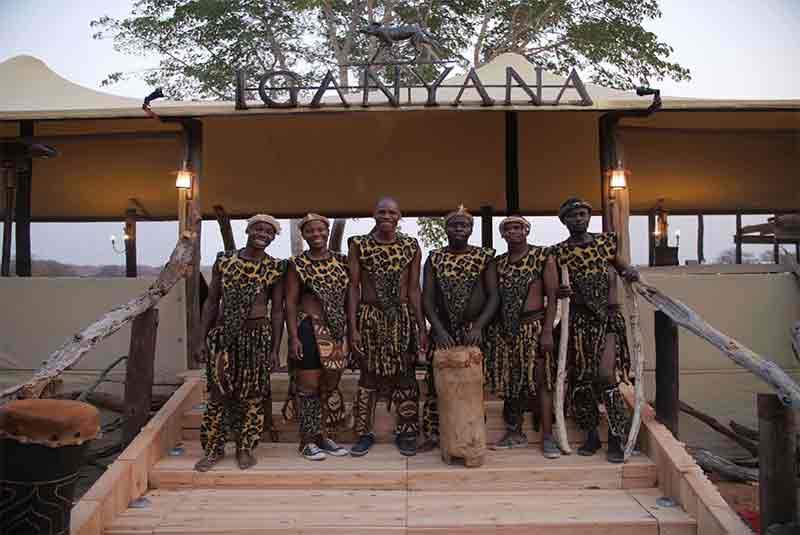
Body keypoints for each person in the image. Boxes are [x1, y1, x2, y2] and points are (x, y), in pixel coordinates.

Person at [551, 198, 639, 463]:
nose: (578, 219)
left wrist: (630, 271)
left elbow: (622, 267)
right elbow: (553, 286)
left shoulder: (605, 242)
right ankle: (590, 434)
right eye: (573, 215)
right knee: (581, 379)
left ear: (589, 217)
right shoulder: (559, 251)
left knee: (606, 375)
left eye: (582, 214)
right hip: (578, 321)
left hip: (608, 319)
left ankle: (616, 436)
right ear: (564, 221)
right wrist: (560, 291)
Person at [194, 214, 285, 471]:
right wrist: (201, 339)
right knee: (218, 393)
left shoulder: (275, 267)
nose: (263, 234)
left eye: (269, 232)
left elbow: (277, 311)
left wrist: (275, 350)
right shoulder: (225, 260)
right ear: (248, 230)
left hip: (257, 336)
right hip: (224, 336)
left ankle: (245, 447)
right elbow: (211, 301)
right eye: (259, 229)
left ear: (273, 237)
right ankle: (213, 449)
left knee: (252, 395)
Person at [347, 197, 428, 457]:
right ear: (374, 214)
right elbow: (353, 287)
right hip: (369, 317)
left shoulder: (410, 245)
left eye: (392, 212)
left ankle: (407, 432)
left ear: (399, 216)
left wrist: (421, 327)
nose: (386, 216)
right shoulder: (358, 244)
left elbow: (414, 290)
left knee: (405, 373)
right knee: (368, 374)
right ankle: (363, 433)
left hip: (401, 318)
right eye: (382, 211)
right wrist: (353, 327)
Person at [420, 205, 498, 451]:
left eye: (464, 225)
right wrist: (439, 330)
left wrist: (479, 326)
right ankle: (434, 434)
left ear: (471, 229)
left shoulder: (484, 257)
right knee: (436, 383)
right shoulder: (435, 258)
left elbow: (494, 297)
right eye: (454, 225)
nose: (459, 229)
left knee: (474, 382)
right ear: (446, 229)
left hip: (473, 331)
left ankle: (473, 434)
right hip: (443, 330)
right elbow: (427, 299)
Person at [488, 216, 560, 458]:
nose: (513, 232)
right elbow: (493, 297)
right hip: (505, 331)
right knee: (511, 382)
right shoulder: (498, 263)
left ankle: (548, 436)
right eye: (508, 229)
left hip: (533, 327)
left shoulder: (542, 256)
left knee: (542, 379)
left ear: (526, 230)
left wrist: (547, 330)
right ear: (503, 235)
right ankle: (514, 432)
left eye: (518, 227)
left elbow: (552, 297)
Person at [285, 214, 351, 460]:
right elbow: (290, 303)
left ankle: (322, 436)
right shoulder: (297, 264)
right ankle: (307, 441)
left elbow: (349, 297)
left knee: (327, 386)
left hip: (335, 331)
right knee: (308, 387)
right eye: (310, 231)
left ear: (327, 231)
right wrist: (294, 337)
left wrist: (349, 331)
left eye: (321, 230)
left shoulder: (342, 261)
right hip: (309, 329)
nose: (316, 234)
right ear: (303, 235)